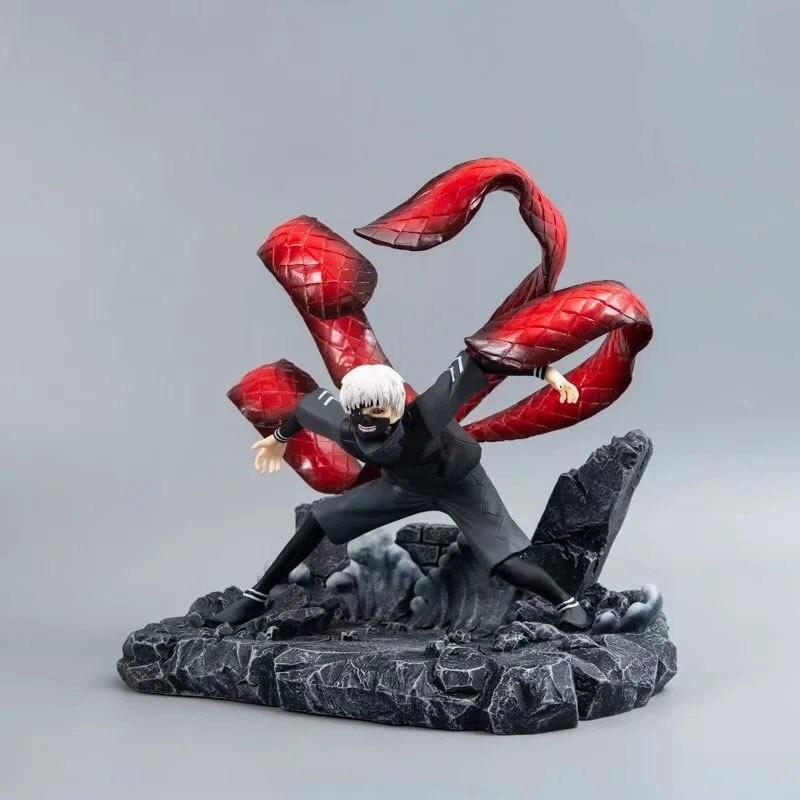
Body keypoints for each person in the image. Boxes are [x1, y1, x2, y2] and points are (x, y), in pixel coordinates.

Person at [207, 349, 590, 630]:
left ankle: (566, 602)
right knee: (319, 520)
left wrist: (545, 372)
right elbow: (306, 408)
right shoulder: (345, 427)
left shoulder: (428, 413)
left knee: (504, 560)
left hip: (461, 484)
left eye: (378, 412)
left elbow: (484, 360)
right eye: (360, 413)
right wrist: (278, 439)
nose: (368, 421)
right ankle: (255, 597)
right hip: (402, 485)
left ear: (397, 408)